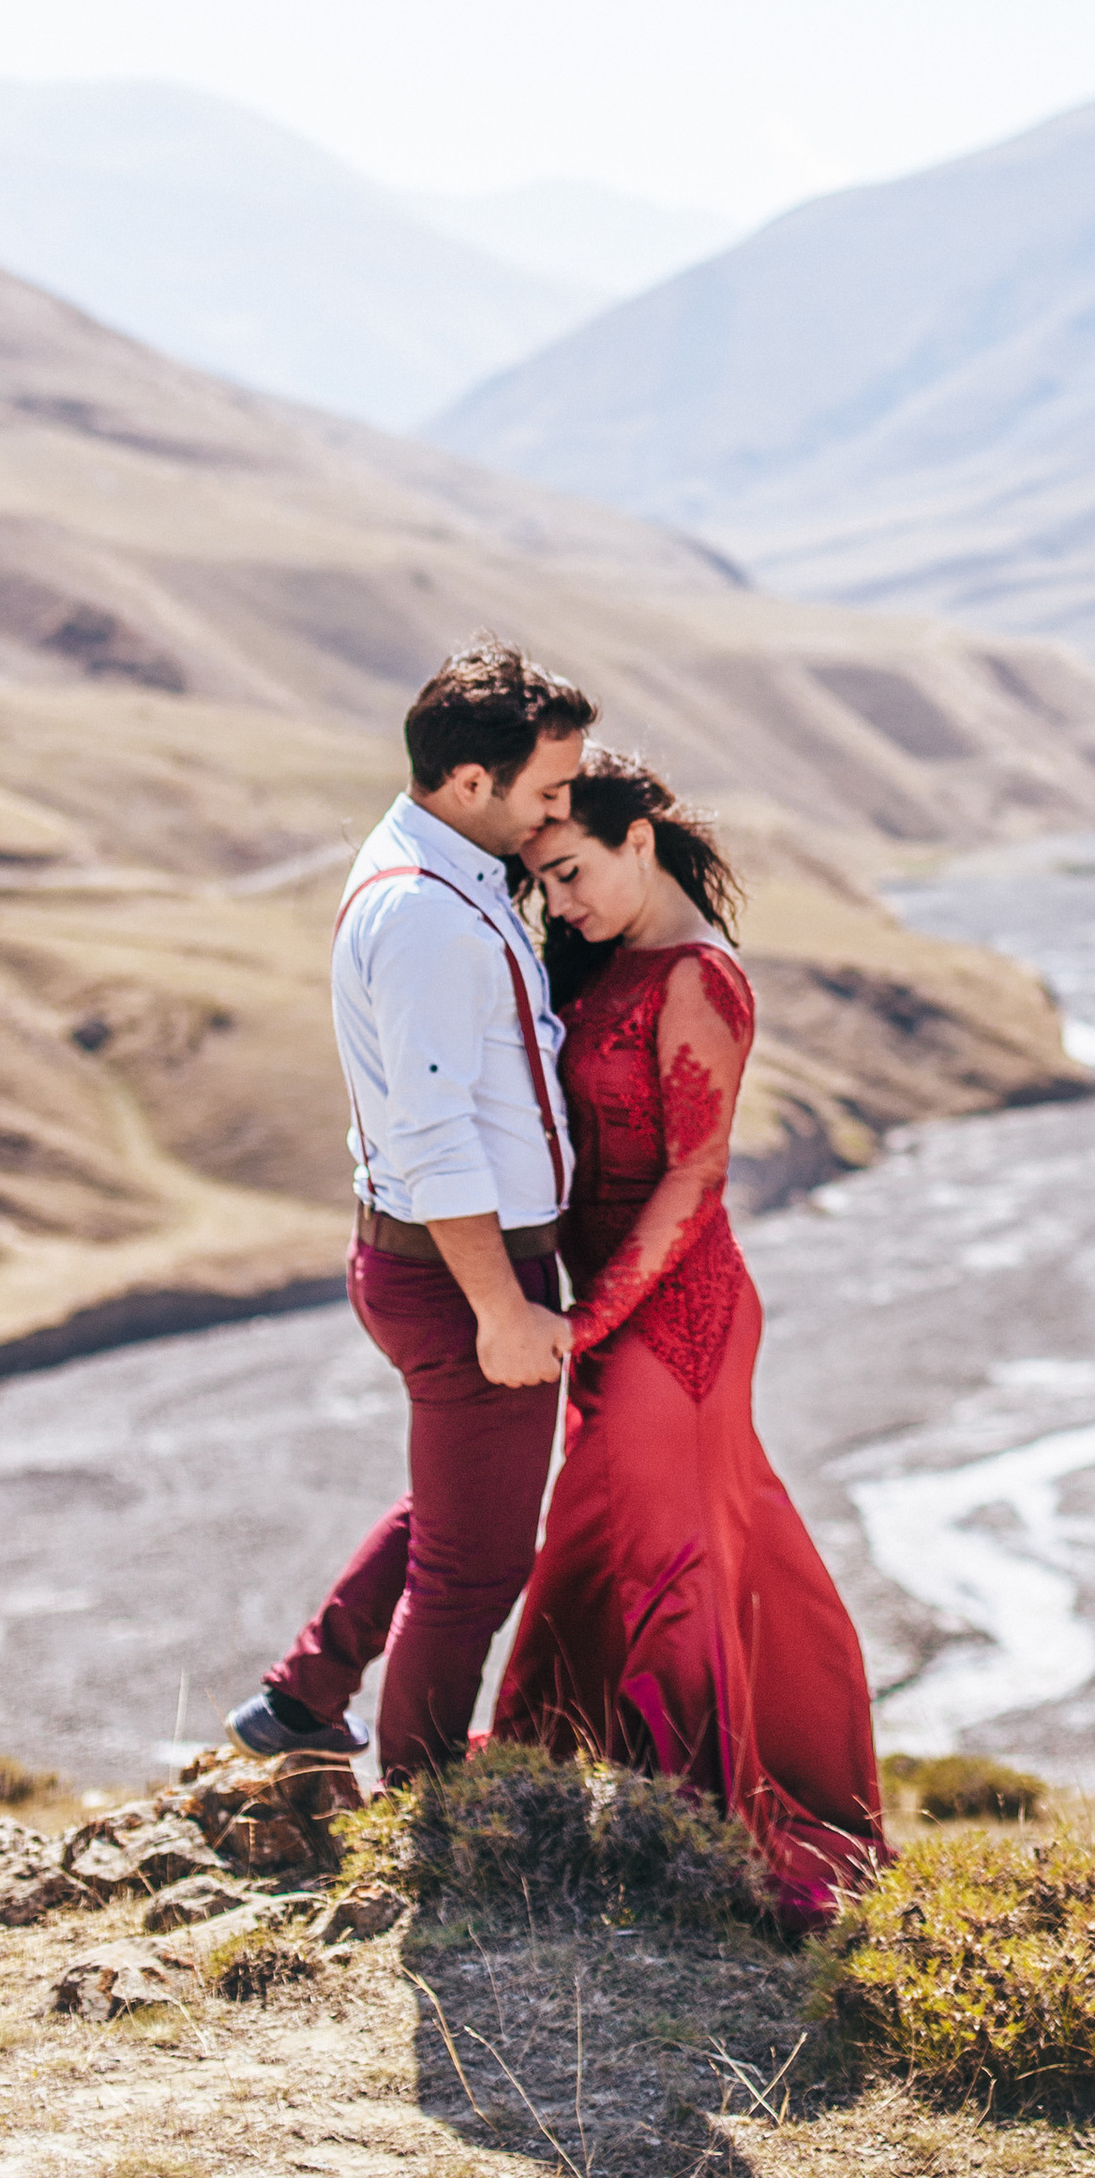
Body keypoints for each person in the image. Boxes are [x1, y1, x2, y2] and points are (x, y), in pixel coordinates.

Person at [491, 749, 887, 1921]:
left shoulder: (701, 978)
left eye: (570, 875)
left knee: (667, 1552)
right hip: (612, 1307)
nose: (561, 905)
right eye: (545, 888)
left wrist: (590, 1319)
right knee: (617, 1537)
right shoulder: (608, 961)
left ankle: (700, 1822)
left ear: (639, 844)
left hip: (679, 1315)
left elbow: (698, 1175)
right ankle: (564, 1785)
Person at [228, 636, 594, 1779]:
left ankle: (302, 1697)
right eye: (548, 791)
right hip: (460, 1273)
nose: (558, 813)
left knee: (455, 1510)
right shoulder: (430, 915)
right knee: (477, 1568)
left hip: (439, 1264)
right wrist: (501, 1308)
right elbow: (432, 1138)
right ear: (470, 783)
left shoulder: (440, 867)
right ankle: (426, 1805)